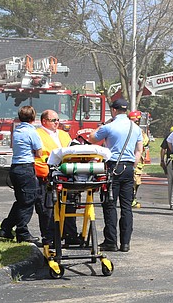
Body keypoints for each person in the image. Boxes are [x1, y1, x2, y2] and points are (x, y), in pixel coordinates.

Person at [88, 98, 143, 252]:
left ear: (113, 110)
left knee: (110, 204)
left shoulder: (109, 127)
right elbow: (139, 150)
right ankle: (125, 243)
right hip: (129, 167)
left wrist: (103, 125)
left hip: (113, 167)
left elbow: (91, 138)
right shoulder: (136, 128)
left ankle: (111, 241)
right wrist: (133, 165)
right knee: (126, 206)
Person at [34, 109, 81, 246]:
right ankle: (50, 238)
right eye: (53, 120)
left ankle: (70, 235)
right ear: (44, 121)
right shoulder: (38, 134)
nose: (57, 123)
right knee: (48, 209)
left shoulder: (63, 134)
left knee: (69, 205)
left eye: (58, 120)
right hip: (48, 174)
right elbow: (39, 155)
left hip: (66, 174)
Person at [0, 105, 42, 245]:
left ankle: (6, 227)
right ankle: (22, 232)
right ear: (33, 118)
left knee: (21, 200)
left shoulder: (17, 131)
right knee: (29, 200)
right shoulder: (32, 132)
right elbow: (39, 152)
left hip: (15, 168)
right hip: (26, 168)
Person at [128, 110, 151, 208]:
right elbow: (145, 141)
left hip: (134, 159)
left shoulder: (128, 129)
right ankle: (131, 200)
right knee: (135, 181)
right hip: (135, 160)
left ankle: (131, 199)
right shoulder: (137, 131)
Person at [159, 126, 173, 210]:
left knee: (170, 182)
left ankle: (172, 203)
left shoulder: (168, 137)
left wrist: (162, 161)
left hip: (169, 160)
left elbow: (162, 149)